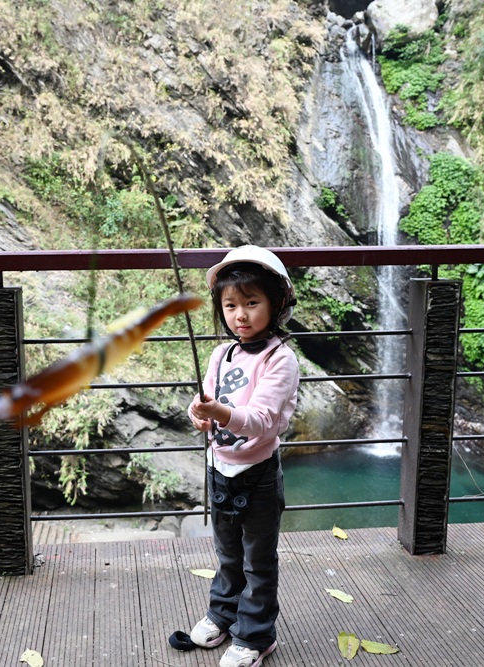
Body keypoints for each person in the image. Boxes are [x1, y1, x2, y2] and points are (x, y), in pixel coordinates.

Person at [187, 245, 300, 667]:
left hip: (258, 475)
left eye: (252, 303)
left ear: (277, 303)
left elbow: (262, 420)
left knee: (258, 559)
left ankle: (255, 636)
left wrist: (218, 412)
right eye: (231, 305)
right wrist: (199, 413)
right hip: (220, 469)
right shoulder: (222, 353)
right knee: (227, 552)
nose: (241, 315)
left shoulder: (281, 360)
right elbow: (204, 400)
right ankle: (223, 613)